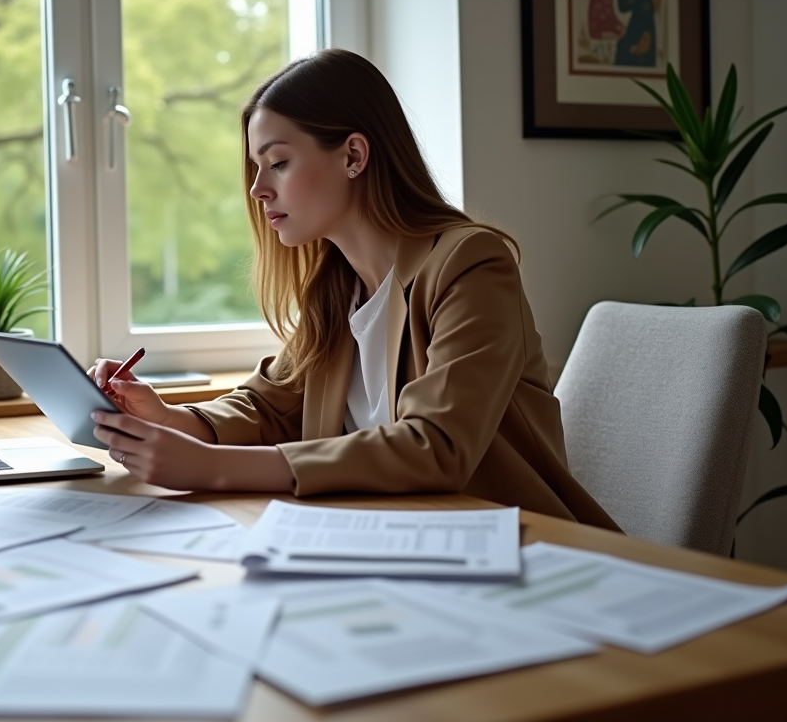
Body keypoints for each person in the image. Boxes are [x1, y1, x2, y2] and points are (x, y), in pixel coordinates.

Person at [89, 48, 619, 530]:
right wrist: (167, 417)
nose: (257, 189)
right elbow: (270, 406)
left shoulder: (471, 264)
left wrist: (214, 466)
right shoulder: (337, 286)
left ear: (353, 156)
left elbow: (436, 446)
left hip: (515, 545)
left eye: (277, 163)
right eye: (256, 168)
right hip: (389, 538)